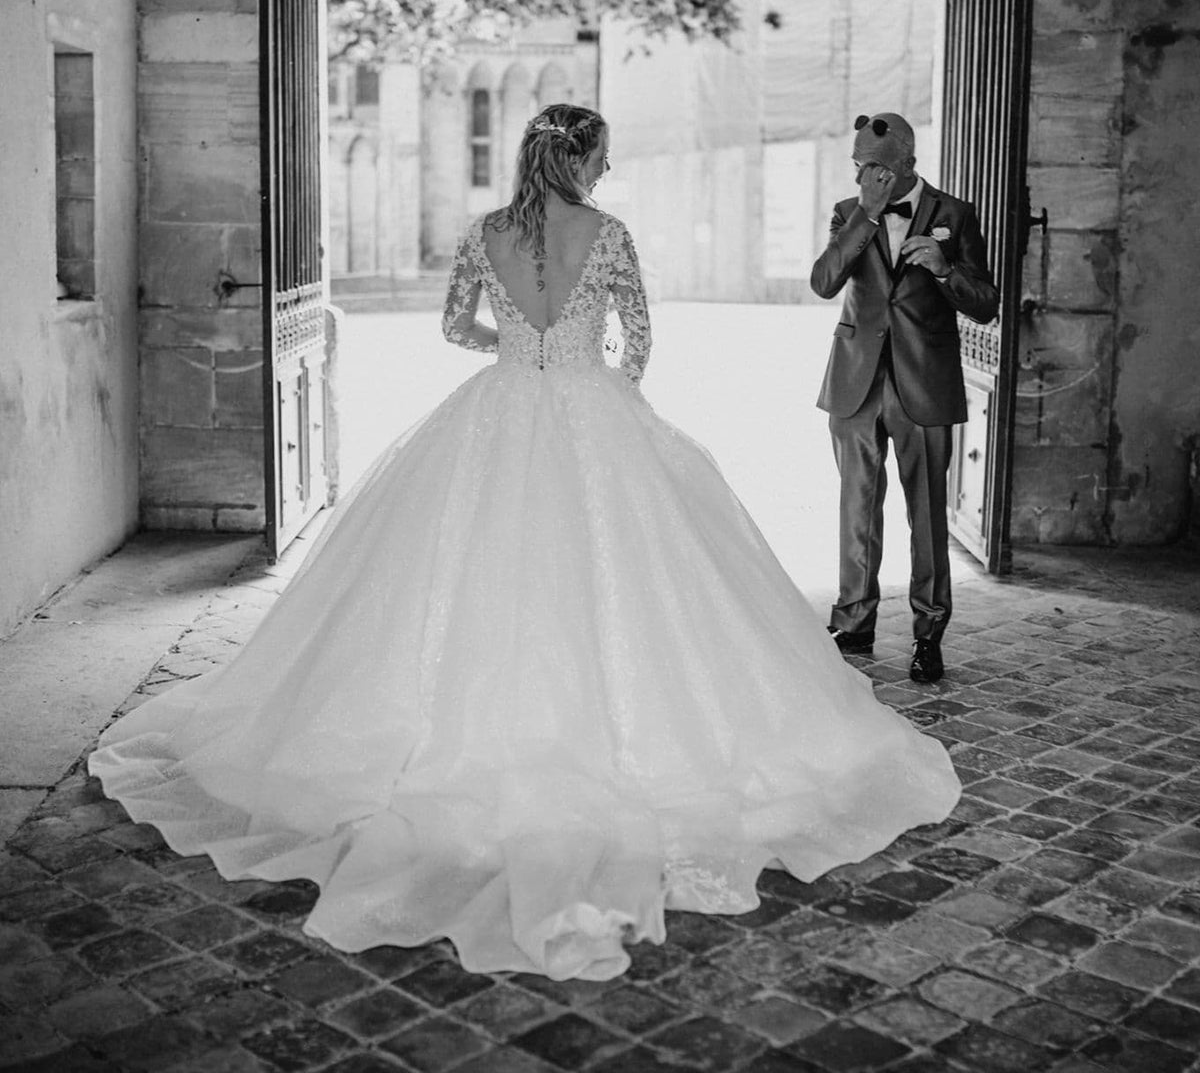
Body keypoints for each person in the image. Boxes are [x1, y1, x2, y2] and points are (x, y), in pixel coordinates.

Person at [90, 104, 960, 983]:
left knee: (469, 586)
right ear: (584, 162)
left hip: (498, 404)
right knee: (628, 587)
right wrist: (603, 400)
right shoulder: (608, 233)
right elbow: (640, 344)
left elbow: (452, 328)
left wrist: (515, 347)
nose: (606, 177)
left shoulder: (484, 233)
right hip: (592, 410)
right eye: (605, 162)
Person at [811, 112, 999, 684]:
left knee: (927, 516)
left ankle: (929, 633)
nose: (865, 176)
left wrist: (944, 271)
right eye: (859, 167)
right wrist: (866, 214)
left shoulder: (955, 215)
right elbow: (824, 282)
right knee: (857, 508)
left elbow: (986, 303)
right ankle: (855, 621)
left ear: (905, 166)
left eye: (875, 169)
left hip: (925, 382)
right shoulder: (850, 212)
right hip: (855, 381)